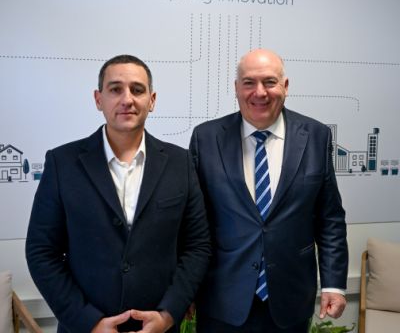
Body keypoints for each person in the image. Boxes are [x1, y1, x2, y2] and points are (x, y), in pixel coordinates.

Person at [26, 54, 211, 333]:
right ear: (98, 99)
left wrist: (168, 315)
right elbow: (41, 252)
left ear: (152, 100)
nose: (127, 99)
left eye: (137, 90)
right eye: (115, 89)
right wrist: (89, 322)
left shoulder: (180, 163)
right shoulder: (62, 163)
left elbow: (197, 246)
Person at [189, 49, 348, 332]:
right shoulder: (206, 138)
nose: (259, 92)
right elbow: (191, 223)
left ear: (285, 86)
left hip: (290, 299)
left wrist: (333, 284)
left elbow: (330, 219)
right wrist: (185, 288)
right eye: (249, 82)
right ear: (236, 88)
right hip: (221, 300)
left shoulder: (316, 136)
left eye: (270, 82)